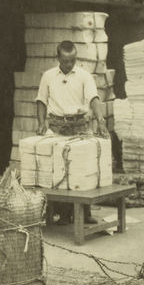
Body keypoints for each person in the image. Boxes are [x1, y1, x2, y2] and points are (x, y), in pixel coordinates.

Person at [36, 40, 110, 225]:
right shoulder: (48, 76)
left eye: (73, 60)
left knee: (82, 166)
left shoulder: (84, 76)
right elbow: (41, 101)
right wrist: (41, 122)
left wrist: (101, 122)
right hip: (57, 125)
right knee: (59, 167)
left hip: (80, 125)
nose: (70, 64)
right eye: (66, 61)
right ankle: (63, 214)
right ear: (58, 58)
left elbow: (94, 99)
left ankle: (85, 213)